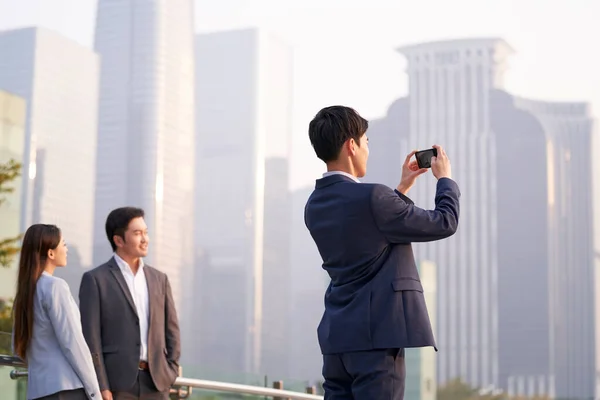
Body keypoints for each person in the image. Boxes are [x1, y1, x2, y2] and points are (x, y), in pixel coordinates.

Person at [304, 106, 460, 399]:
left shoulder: (314, 205)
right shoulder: (373, 197)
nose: (367, 149)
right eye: (365, 142)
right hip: (376, 340)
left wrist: (401, 188)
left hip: (337, 339)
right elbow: (444, 222)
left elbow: (367, 234)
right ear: (351, 145)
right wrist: (445, 180)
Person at [79, 207, 181, 400]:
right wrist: (102, 386)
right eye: (137, 233)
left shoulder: (160, 279)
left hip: (157, 384)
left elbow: (172, 331)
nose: (145, 239)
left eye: (146, 232)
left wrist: (171, 370)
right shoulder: (95, 280)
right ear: (118, 240)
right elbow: (91, 339)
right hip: (117, 387)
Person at [12, 224, 102, 400]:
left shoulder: (25, 294)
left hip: (38, 391)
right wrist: (95, 393)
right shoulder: (55, 286)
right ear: (51, 253)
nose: (66, 249)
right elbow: (73, 344)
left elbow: (18, 349)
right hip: (66, 389)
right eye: (64, 244)